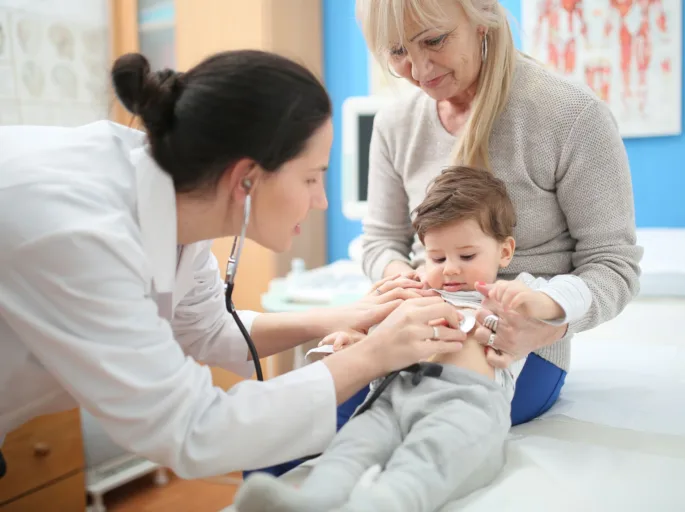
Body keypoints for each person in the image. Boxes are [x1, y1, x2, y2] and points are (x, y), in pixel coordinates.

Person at [0, 49, 470, 480]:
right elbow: (193, 429)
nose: (321, 201)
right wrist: (374, 354)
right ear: (245, 179)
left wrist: (349, 317)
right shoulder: (83, 232)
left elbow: (208, 330)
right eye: (311, 178)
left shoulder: (174, 202)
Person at [349, 0, 643, 430]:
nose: (418, 68)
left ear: (482, 16)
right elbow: (381, 241)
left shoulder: (571, 117)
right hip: (422, 321)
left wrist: (547, 327)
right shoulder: (395, 125)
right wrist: (408, 283)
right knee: (311, 408)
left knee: (401, 416)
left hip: (518, 349)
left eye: (434, 40)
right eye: (397, 52)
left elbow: (614, 266)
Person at [232, 166, 592, 512]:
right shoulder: (416, 290)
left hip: (466, 404)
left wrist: (540, 302)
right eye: (437, 257)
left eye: (467, 255)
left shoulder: (510, 294)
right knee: (350, 447)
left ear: (505, 251)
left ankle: (377, 506)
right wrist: (348, 339)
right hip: (393, 393)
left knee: (424, 460)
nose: (450, 267)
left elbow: (579, 290)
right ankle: (313, 499)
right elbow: (377, 333)